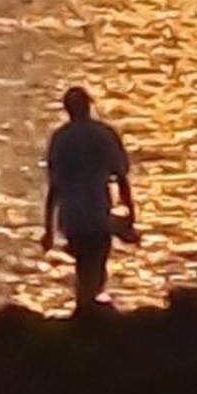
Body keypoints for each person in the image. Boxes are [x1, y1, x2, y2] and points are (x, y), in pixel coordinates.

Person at [42, 85, 134, 315]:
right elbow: (121, 177)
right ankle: (87, 312)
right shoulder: (104, 135)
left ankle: (84, 309)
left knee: (84, 265)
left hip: (71, 216)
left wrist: (49, 229)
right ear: (89, 106)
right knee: (95, 266)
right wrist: (130, 214)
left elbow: (55, 187)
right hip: (97, 213)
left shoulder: (60, 139)